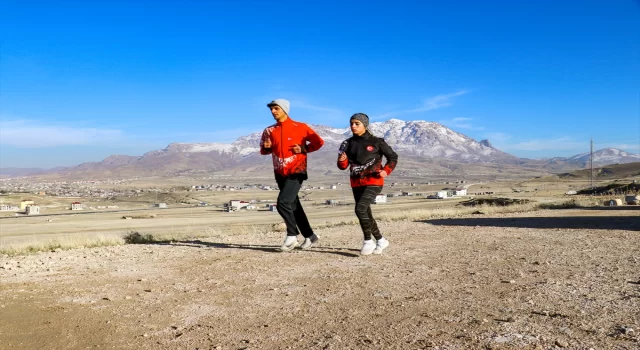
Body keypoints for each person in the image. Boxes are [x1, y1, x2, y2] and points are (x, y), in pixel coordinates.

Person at [260, 99, 325, 251]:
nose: (273, 111)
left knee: (283, 202)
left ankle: (291, 236)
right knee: (294, 206)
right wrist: (266, 147)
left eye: (276, 108)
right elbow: (263, 151)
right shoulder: (269, 130)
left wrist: (304, 149)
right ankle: (310, 236)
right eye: (272, 109)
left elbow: (319, 142)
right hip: (279, 173)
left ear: (284, 110)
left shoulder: (300, 127)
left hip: (297, 171)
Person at [337, 113, 398, 255]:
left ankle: (368, 241)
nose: (353, 126)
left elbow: (393, 157)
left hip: (374, 181)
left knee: (360, 209)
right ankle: (381, 240)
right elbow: (342, 166)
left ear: (365, 125)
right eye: (351, 123)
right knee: (365, 213)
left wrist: (386, 170)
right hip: (356, 182)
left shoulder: (377, 142)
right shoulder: (346, 143)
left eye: (357, 123)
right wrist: (342, 159)